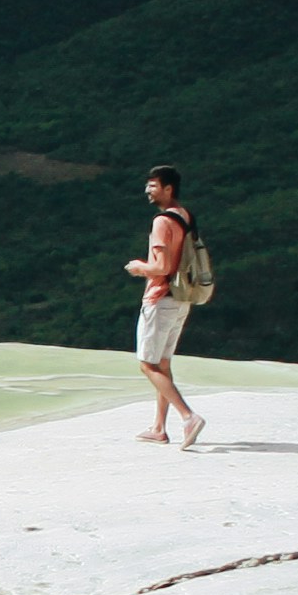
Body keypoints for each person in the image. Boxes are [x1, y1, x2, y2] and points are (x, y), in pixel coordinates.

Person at [124, 167, 205, 448]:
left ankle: (188, 417)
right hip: (182, 298)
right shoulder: (185, 216)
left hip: (161, 297)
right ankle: (159, 427)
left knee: (147, 365)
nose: (148, 190)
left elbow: (161, 267)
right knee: (163, 363)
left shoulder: (162, 221)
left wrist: (138, 268)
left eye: (154, 186)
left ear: (168, 188)